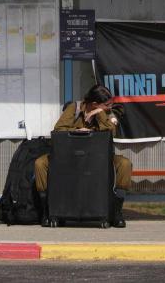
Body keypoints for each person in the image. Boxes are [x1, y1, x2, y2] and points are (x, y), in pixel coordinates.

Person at [34, 84, 133, 228]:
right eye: (105, 105)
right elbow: (59, 130)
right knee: (40, 164)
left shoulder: (107, 112)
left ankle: (116, 212)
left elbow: (111, 132)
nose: (109, 107)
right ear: (93, 103)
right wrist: (79, 132)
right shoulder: (74, 109)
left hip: (99, 158)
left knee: (124, 164)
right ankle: (47, 211)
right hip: (70, 156)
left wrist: (99, 113)